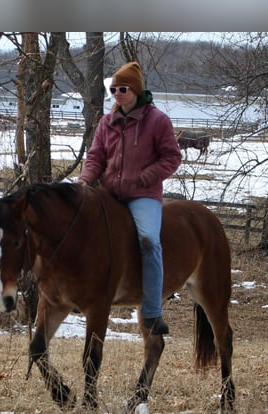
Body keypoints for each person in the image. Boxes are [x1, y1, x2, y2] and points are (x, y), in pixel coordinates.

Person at [78, 61, 182, 335]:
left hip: (143, 195)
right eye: (113, 89)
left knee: (149, 239)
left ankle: (152, 311)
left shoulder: (157, 120)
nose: (117, 93)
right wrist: (84, 180)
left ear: (136, 90)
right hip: (109, 193)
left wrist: (145, 177)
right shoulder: (106, 122)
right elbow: (96, 157)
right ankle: (79, 293)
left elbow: (172, 158)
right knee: (79, 227)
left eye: (122, 88)